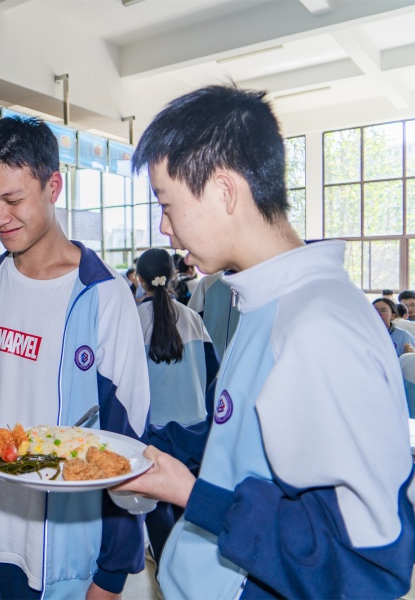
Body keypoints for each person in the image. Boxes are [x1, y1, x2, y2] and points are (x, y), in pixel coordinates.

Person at [117, 84, 415, 599]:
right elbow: (248, 439)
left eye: (167, 204)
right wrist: (151, 447)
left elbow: (367, 567)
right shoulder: (266, 301)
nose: (164, 229)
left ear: (224, 191)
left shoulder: (317, 323)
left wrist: (190, 493)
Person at [0, 116, 150, 599]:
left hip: (66, 551)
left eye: (13, 200)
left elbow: (127, 437)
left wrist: (112, 573)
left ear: (54, 185)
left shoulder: (103, 296)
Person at [134, 248, 219, 565]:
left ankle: (167, 573)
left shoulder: (134, 320)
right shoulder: (193, 318)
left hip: (156, 431)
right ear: (171, 276)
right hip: (194, 429)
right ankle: (188, 573)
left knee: (157, 507)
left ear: (140, 279)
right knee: (188, 504)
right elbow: (212, 370)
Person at [187, 270, 239, 360]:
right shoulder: (207, 283)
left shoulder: (256, 284)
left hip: (242, 360)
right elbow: (191, 321)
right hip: (210, 357)